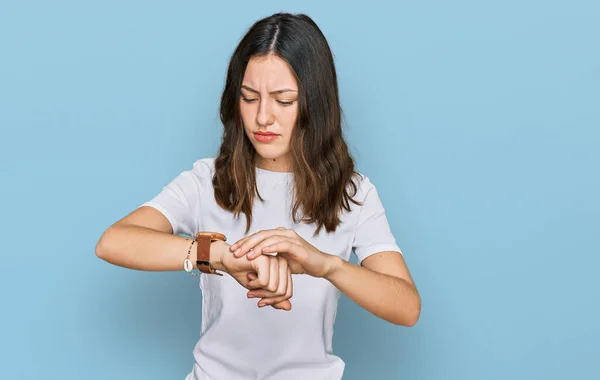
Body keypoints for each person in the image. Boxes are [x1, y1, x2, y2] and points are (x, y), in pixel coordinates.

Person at [95, 12, 421, 380]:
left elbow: (406, 306)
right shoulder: (207, 180)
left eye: (283, 101)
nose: (262, 117)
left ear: (315, 104)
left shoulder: (354, 193)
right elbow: (113, 242)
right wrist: (217, 256)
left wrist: (325, 265)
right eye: (249, 98)